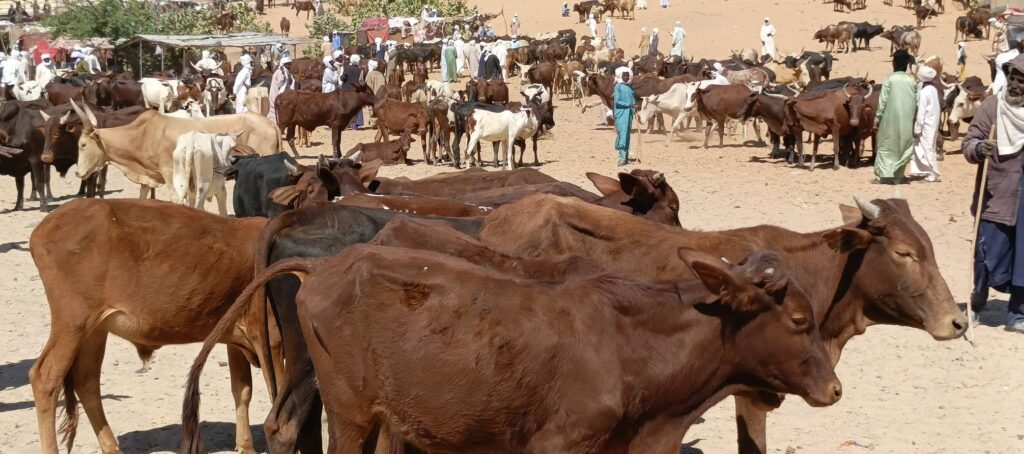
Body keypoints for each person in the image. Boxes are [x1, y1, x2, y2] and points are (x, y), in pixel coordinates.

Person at [962, 54, 1024, 333]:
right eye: (1012, 79)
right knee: (987, 253)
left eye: (1022, 81)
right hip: (997, 194)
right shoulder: (992, 107)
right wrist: (978, 148)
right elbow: (970, 140)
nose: (1015, 85)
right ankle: (976, 303)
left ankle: (1017, 314)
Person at [873, 50, 918, 184]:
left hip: (890, 119)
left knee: (886, 144)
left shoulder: (889, 79)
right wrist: (914, 118)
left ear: (894, 63)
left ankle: (882, 177)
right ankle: (899, 176)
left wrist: (877, 118)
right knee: (903, 145)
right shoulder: (912, 80)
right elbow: (916, 101)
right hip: (907, 119)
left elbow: (883, 101)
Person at [909, 65, 942, 183]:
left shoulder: (924, 92)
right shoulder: (933, 89)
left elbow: (921, 112)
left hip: (926, 124)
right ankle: (925, 170)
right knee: (929, 146)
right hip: (933, 122)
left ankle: (934, 174)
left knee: (927, 147)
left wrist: (917, 128)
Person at [613, 66, 635, 166]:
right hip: (621, 113)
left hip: (629, 114)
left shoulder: (630, 87)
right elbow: (617, 101)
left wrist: (634, 109)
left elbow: (632, 100)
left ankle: (625, 158)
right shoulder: (618, 87)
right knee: (622, 134)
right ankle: (621, 158)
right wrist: (629, 105)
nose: (626, 77)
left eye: (627, 75)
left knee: (627, 136)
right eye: (624, 75)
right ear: (621, 76)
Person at [340, 54, 363, 129]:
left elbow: (343, 78)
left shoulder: (347, 68)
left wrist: (341, 77)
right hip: (356, 91)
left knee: (346, 107)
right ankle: (355, 124)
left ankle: (346, 124)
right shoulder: (359, 70)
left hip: (347, 91)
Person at [268, 57, 293, 124]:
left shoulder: (284, 71)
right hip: (277, 94)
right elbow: (279, 84)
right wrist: (283, 76)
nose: (289, 66)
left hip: (280, 95)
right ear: (283, 64)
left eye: (290, 64)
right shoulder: (280, 72)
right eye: (288, 64)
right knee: (275, 111)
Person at [365, 59, 385, 127]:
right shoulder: (381, 74)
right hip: (381, 95)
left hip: (373, 95)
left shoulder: (370, 75)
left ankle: (373, 123)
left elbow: (369, 87)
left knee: (372, 109)